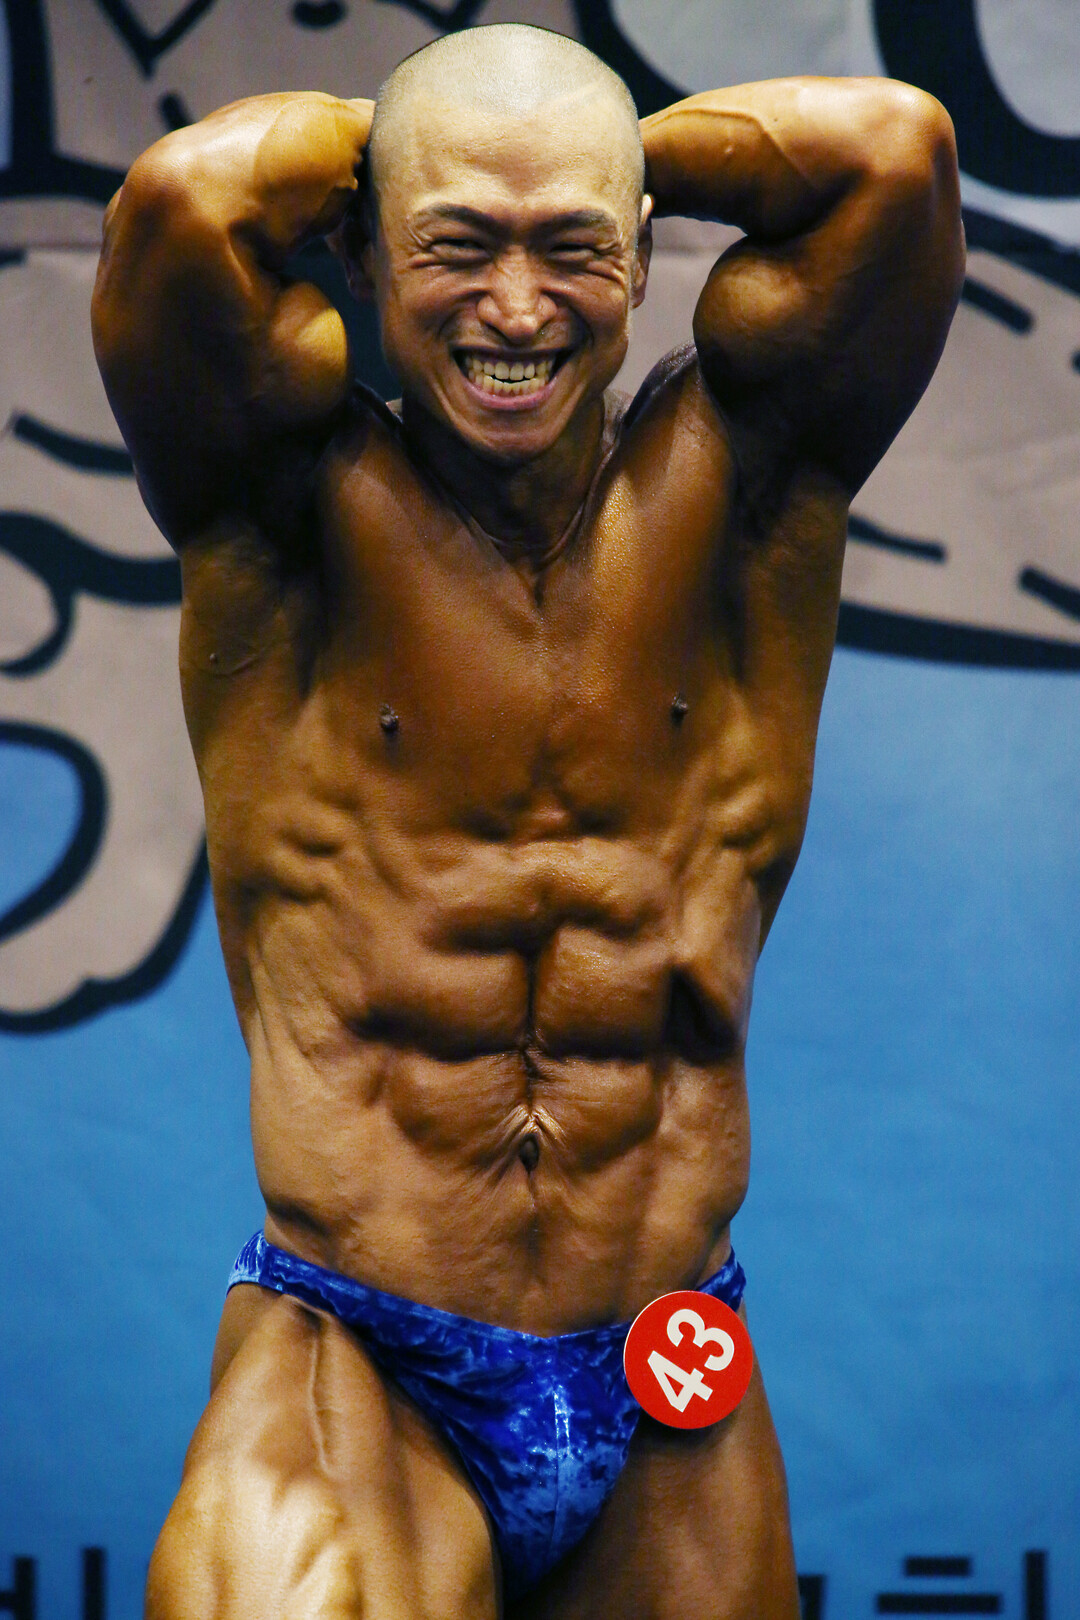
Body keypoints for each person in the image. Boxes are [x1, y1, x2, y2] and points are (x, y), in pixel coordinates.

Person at [92, 23, 963, 1619]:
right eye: (456, 248)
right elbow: (180, 202)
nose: (515, 308)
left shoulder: (752, 488)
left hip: (663, 1373)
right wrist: (411, 136)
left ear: (643, 249)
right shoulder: (277, 508)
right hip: (362, 1357)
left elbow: (895, 153)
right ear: (364, 249)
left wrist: (599, 150)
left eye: (572, 248)